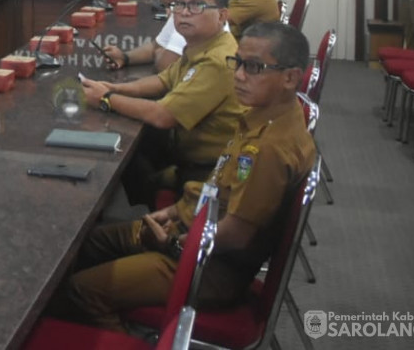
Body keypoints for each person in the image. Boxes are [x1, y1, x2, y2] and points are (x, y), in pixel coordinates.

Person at [60, 22, 316, 331]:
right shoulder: (259, 116)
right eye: (238, 63)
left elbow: (236, 235)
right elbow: (218, 186)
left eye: (254, 67)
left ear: (290, 77)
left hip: (205, 268)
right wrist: (170, 212)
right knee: (83, 245)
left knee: (80, 290)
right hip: (190, 228)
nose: (238, 75)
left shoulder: (270, 148)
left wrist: (172, 244)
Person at [81, 0, 244, 205]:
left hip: (208, 173)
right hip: (186, 154)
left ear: (221, 15)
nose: (185, 12)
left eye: (197, 5)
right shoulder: (201, 44)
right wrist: (114, 87)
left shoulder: (217, 60)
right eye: (179, 4)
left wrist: (107, 99)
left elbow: (163, 116)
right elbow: (163, 80)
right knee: (130, 148)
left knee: (124, 152)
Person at [102, 0, 203, 73]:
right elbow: (156, 46)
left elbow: (164, 66)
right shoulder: (183, 7)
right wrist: (125, 57)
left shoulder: (190, 15)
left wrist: (160, 53)